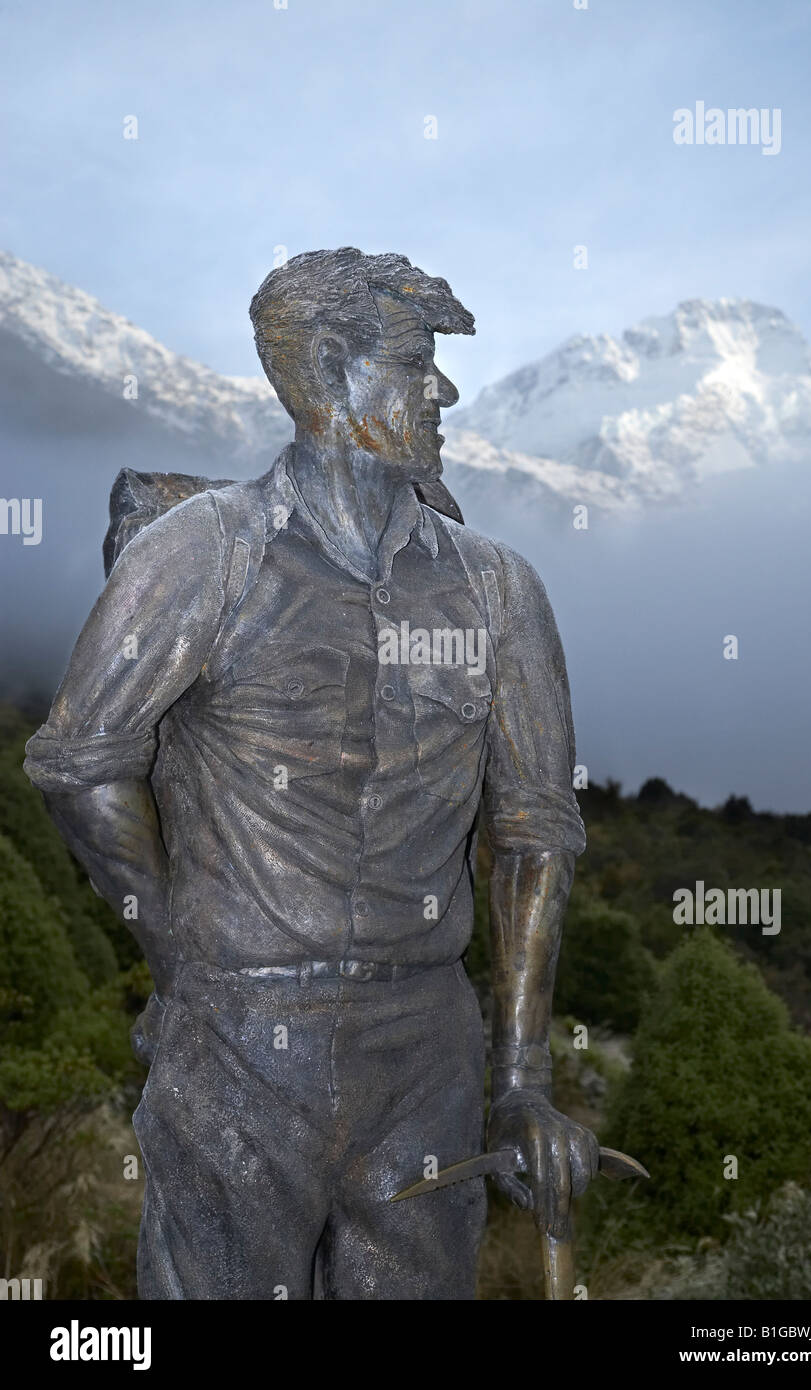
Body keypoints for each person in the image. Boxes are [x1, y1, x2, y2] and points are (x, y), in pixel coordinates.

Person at [24, 247, 595, 1300]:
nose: (446, 388)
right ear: (331, 371)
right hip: (235, 1049)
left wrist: (521, 1079)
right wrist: (180, 946)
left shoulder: (499, 591)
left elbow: (532, 832)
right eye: (417, 362)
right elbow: (79, 764)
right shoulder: (202, 554)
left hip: (424, 1052)